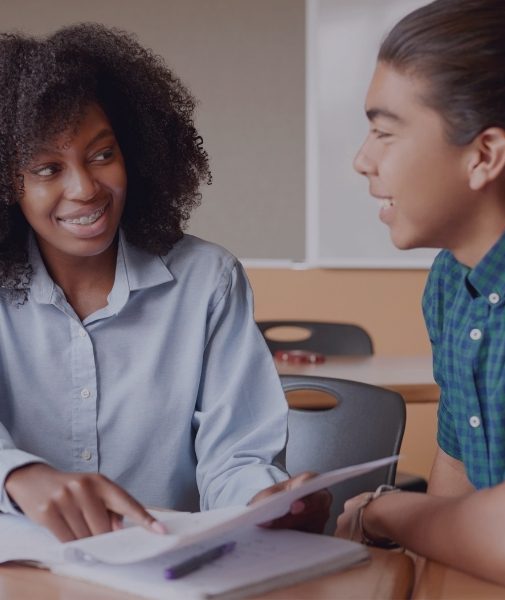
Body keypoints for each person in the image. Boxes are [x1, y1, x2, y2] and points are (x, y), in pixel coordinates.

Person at [0, 23, 328, 542]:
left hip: (167, 577)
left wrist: (263, 502)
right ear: (7, 183)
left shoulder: (207, 282)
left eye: (102, 155)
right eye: (46, 169)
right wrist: (17, 474)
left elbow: (235, 456)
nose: (85, 188)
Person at [335, 0, 505, 592]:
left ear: (484, 156)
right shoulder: (454, 281)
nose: (362, 159)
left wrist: (385, 510)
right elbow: (458, 495)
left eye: (383, 132)